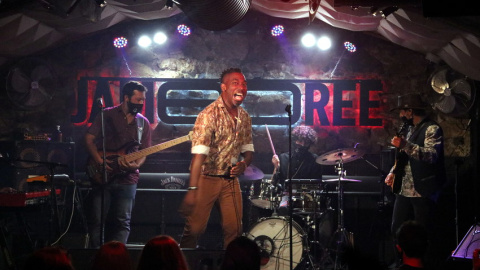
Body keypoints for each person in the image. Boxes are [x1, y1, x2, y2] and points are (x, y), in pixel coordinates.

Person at [178, 67, 254, 249]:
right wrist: (192, 189)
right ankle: (183, 262)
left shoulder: (244, 116)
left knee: (234, 230)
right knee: (195, 230)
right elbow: (198, 157)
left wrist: (243, 165)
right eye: (235, 83)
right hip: (206, 178)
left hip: (230, 181)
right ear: (224, 87)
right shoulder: (208, 115)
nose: (241, 87)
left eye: (244, 84)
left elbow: (248, 152)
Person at [84, 81, 152, 248]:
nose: (141, 103)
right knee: (97, 220)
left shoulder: (143, 123)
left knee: (123, 221)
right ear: (126, 98)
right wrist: (99, 161)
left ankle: (117, 259)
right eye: (138, 99)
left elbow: (145, 151)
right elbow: (89, 139)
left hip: (128, 178)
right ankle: (97, 257)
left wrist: (136, 164)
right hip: (102, 173)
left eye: (143, 100)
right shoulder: (106, 115)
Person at [384, 93, 446, 268]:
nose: (400, 116)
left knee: (422, 233)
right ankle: (399, 264)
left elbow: (431, 155)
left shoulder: (432, 129)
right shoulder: (410, 129)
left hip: (422, 188)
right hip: (404, 188)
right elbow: (403, 157)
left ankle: (422, 265)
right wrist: (392, 173)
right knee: (396, 228)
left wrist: (405, 145)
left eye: (402, 112)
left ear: (410, 111)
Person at [271, 125, 323, 215]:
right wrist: (276, 167)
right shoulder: (283, 158)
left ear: (310, 144)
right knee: (281, 209)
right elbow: (273, 183)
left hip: (305, 199)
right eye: (300, 140)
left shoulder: (314, 160)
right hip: (286, 197)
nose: (302, 144)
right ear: (295, 140)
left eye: (305, 142)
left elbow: (317, 185)